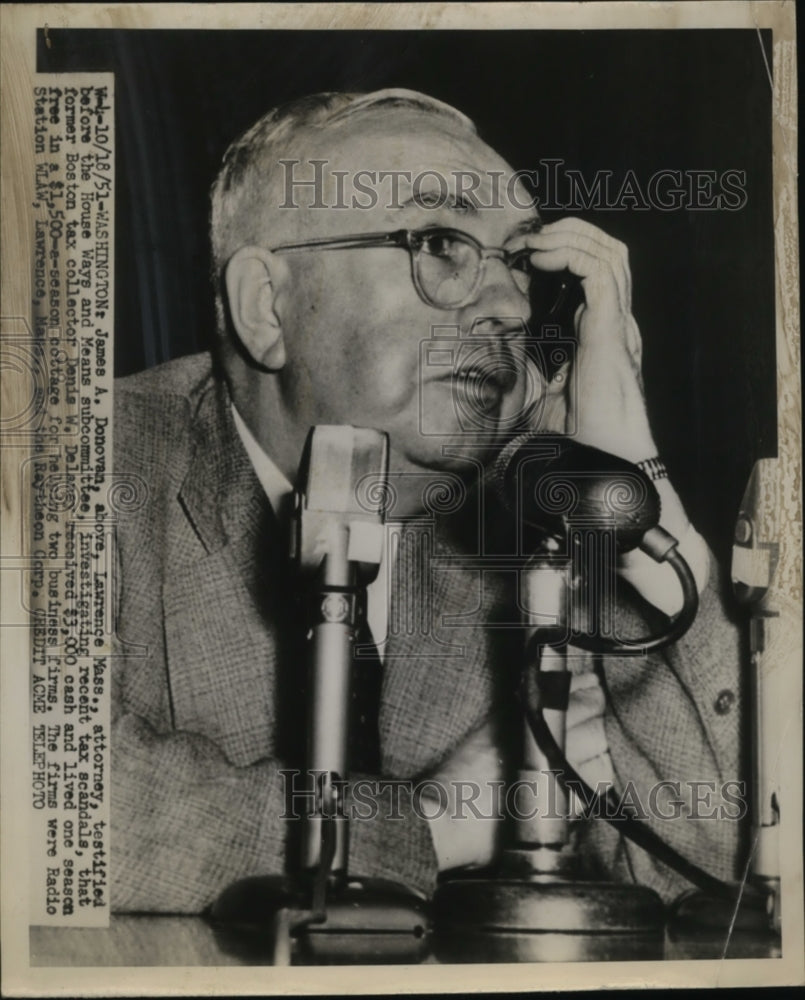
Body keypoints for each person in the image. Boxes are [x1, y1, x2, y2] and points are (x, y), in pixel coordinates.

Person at [111, 89, 742, 915]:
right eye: (439, 243)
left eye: (518, 261)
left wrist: (629, 488)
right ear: (266, 305)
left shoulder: (519, 525)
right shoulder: (81, 461)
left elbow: (732, 862)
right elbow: (50, 801)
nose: (511, 306)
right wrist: (428, 825)